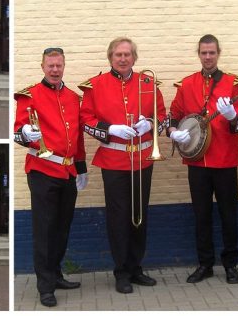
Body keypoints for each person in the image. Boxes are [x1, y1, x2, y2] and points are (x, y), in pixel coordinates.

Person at [79, 37, 166, 294]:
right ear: (110, 57)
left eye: (127, 54)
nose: (123, 58)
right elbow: (85, 120)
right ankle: (121, 272)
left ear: (134, 57)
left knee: (140, 216)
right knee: (118, 218)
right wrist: (110, 129)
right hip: (114, 161)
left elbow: (162, 115)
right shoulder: (96, 85)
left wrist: (150, 124)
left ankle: (136, 268)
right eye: (118, 54)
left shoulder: (148, 83)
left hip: (142, 159)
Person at [167, 34, 238, 285]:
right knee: (201, 215)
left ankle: (231, 265)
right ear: (199, 54)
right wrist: (173, 132)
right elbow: (173, 116)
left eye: (212, 52)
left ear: (218, 53)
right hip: (197, 163)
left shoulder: (234, 84)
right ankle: (205, 264)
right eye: (204, 52)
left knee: (228, 215)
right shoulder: (187, 84)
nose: (208, 57)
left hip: (224, 161)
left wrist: (233, 115)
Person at [14, 47, 88, 307]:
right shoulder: (30, 94)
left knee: (62, 228)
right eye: (50, 65)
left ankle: (56, 275)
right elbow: (17, 131)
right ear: (43, 66)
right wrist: (25, 135)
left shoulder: (73, 97)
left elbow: (77, 138)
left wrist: (81, 168)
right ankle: (45, 286)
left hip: (67, 171)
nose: (55, 69)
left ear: (64, 65)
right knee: (44, 231)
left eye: (59, 65)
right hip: (42, 171)